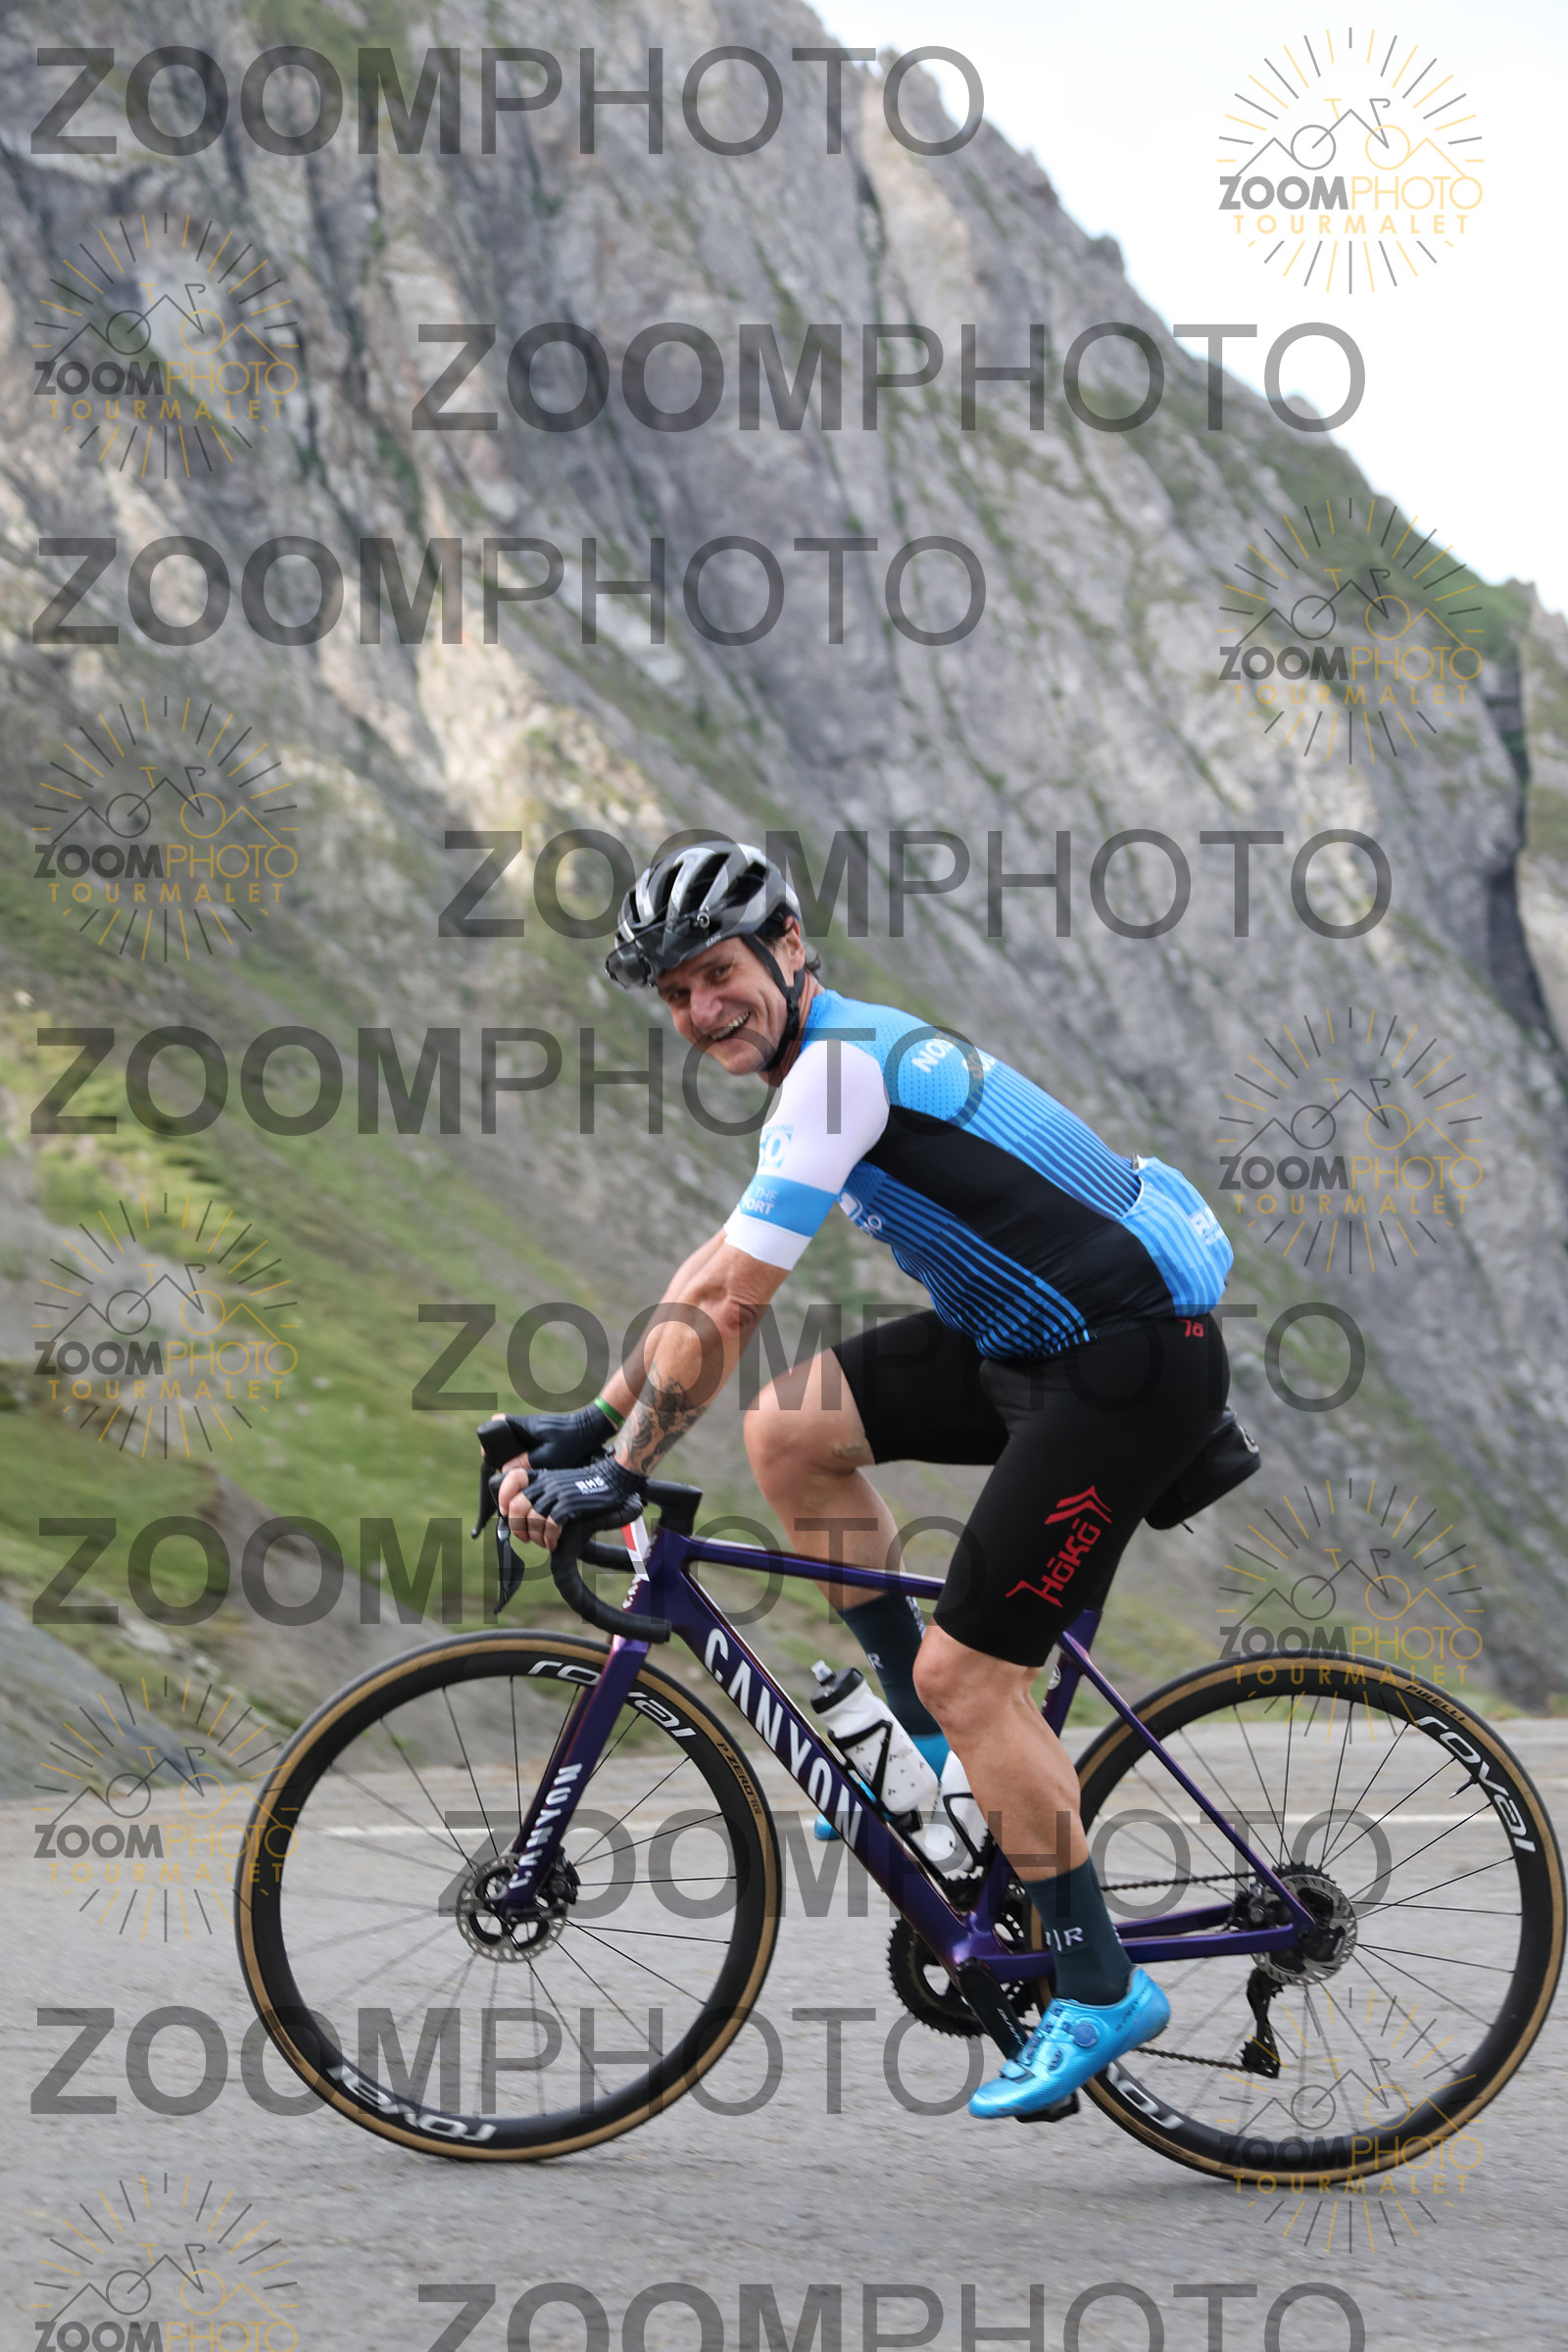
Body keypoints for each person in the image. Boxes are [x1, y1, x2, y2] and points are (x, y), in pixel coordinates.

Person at [497, 842, 1235, 2119]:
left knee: (970, 1673)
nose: (700, 1010)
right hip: (1030, 1341)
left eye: (717, 974)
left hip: (1125, 1362)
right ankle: (942, 1770)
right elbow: (712, 1266)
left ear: (788, 947)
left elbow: (735, 1305)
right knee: (791, 1431)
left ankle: (1098, 1982)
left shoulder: (839, 1072)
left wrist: (622, 1473)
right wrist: (597, 1420)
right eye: (675, 994)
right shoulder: (820, 1071)